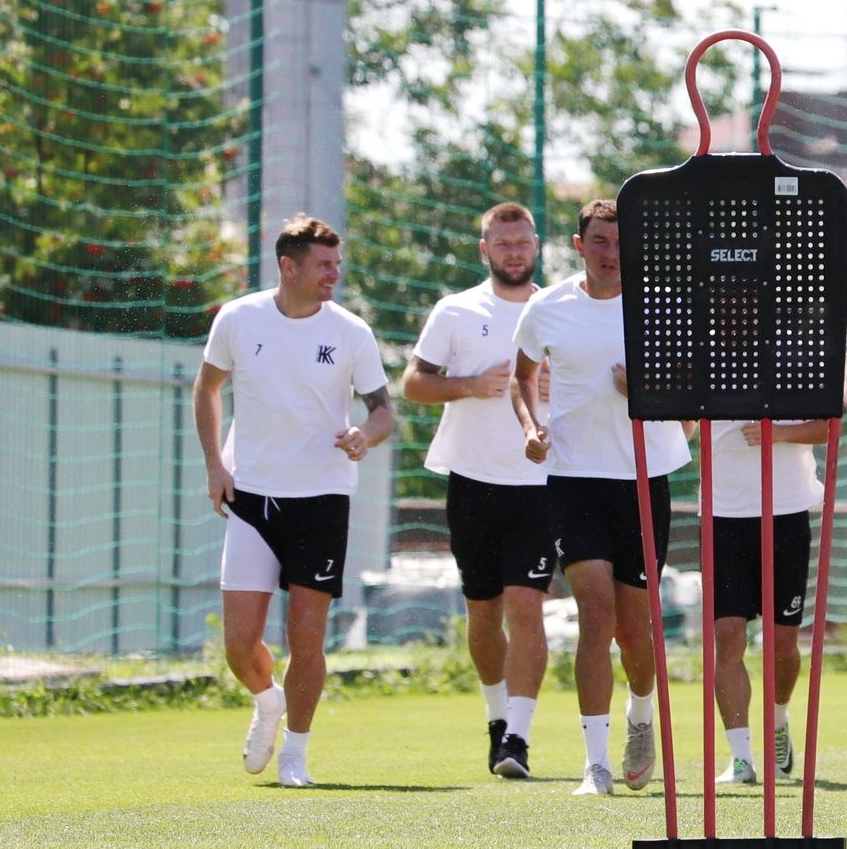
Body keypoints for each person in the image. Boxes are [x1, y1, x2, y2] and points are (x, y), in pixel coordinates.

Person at [193, 216, 395, 787]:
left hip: (323, 497)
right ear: (290, 266)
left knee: (306, 636)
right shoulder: (238, 318)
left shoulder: (352, 331)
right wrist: (215, 465)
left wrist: (365, 434)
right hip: (252, 495)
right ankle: (266, 702)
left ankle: (295, 757)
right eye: (324, 264)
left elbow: (384, 410)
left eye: (336, 263)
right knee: (238, 646)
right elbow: (207, 388)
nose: (335, 274)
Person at [511, 199, 690, 798]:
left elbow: (695, 388)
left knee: (636, 633)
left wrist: (650, 387)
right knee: (595, 613)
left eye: (620, 242)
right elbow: (521, 376)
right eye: (601, 242)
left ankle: (643, 712)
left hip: (644, 475)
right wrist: (531, 428)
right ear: (579, 244)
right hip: (574, 477)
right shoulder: (548, 307)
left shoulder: (661, 304)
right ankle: (595, 765)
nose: (611, 253)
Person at [403, 202, 552, 779]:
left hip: (539, 481)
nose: (513, 251)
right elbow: (414, 383)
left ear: (536, 245)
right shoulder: (456, 310)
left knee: (526, 605)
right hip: (471, 481)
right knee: (483, 611)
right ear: (483, 249)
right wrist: (468, 385)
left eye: (521, 241)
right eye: (502, 242)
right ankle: (495, 720)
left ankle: (518, 736)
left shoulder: (556, 309)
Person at [703, 417, 823, 785]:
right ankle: (740, 758)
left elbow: (830, 427)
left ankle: (778, 720)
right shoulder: (710, 359)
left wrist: (780, 433)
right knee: (726, 636)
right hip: (722, 511)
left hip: (786, 509)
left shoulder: (796, 358)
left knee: (782, 642)